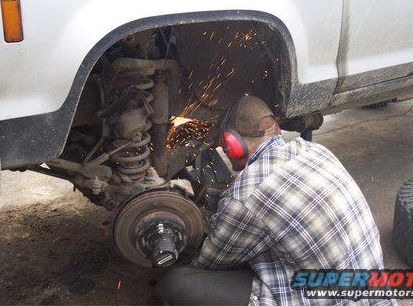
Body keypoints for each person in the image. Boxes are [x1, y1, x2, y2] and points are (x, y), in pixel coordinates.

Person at [156, 95, 393, 305]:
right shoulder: (314, 150)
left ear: (233, 144)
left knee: (177, 284)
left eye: (223, 146)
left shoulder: (247, 195)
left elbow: (210, 261)